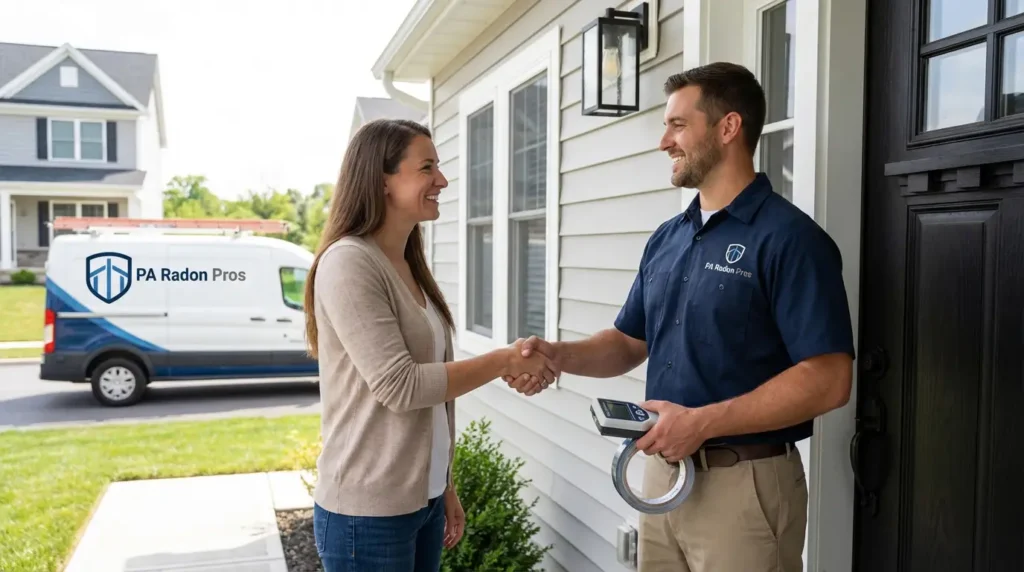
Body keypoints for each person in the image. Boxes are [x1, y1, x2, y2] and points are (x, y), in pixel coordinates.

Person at [505, 62, 856, 571]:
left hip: (744, 487)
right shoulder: (670, 236)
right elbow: (628, 341)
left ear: (728, 127)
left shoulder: (791, 240)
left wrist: (702, 423)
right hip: (662, 476)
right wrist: (556, 356)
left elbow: (830, 379)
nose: (663, 142)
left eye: (676, 125)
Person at [303, 118, 556, 572]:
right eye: (427, 167)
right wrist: (503, 361)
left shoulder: (406, 263)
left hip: (421, 500)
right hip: (367, 512)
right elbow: (401, 387)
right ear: (382, 180)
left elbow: (431, 398)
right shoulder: (349, 263)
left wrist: (444, 484)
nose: (441, 179)